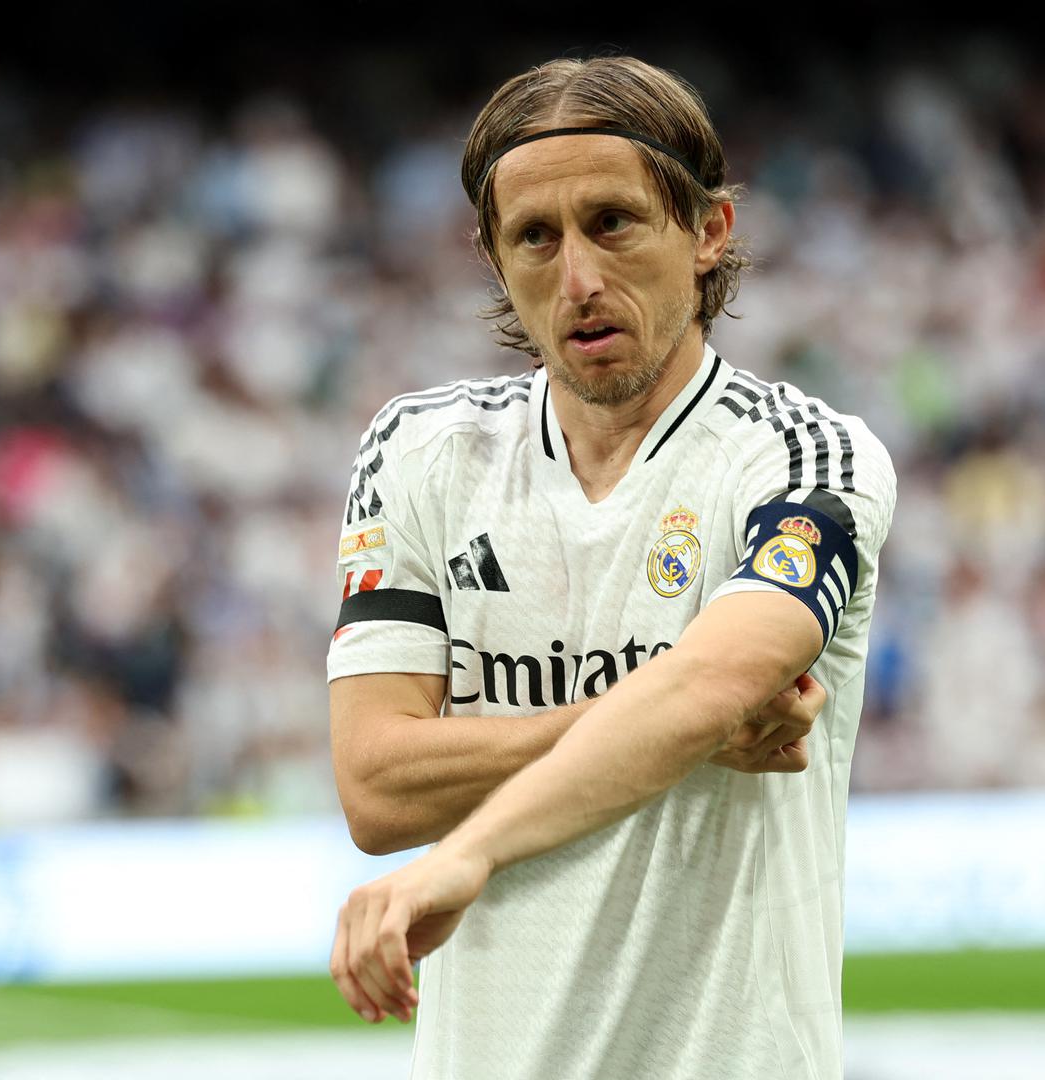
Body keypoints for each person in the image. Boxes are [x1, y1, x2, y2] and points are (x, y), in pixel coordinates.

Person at [325, 56, 895, 1080]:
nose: (578, 278)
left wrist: (467, 851)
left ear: (708, 231)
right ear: (494, 260)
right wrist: (678, 724)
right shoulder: (417, 452)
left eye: (613, 222)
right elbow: (374, 785)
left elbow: (716, 681)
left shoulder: (805, 458)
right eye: (534, 237)